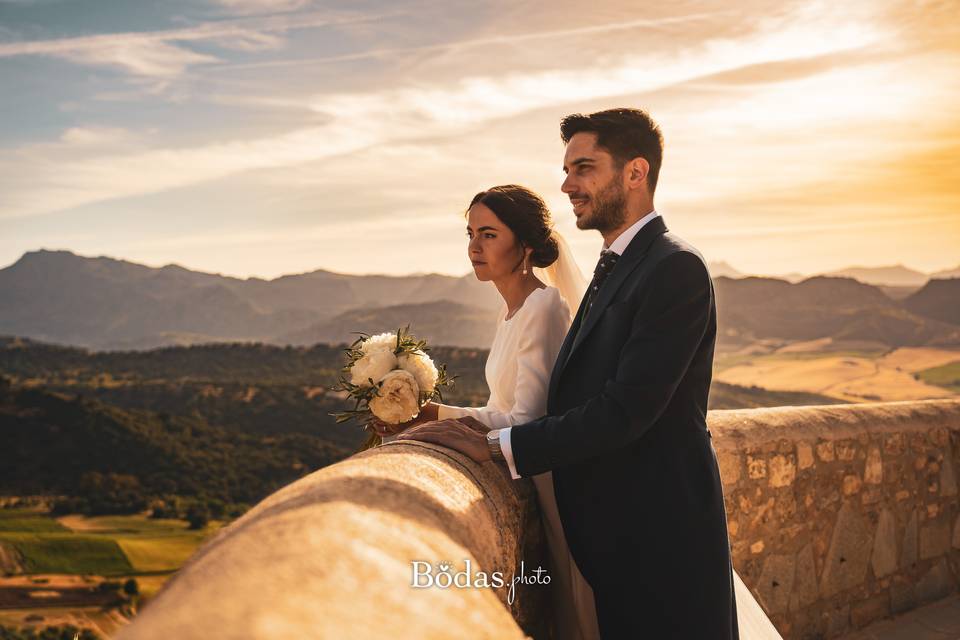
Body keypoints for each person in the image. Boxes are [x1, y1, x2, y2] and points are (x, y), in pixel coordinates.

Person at [394, 108, 750, 638]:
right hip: (618, 537)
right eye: (567, 170)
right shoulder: (617, 265)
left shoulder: (674, 266)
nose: (566, 185)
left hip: (661, 536)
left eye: (584, 168)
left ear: (635, 173)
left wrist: (496, 447)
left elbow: (626, 410)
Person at [372, 184, 602, 640]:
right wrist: (430, 413)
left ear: (527, 247)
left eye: (490, 235)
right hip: (535, 477)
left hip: (560, 488)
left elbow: (529, 420)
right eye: (471, 233)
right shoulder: (512, 310)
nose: (474, 246)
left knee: (582, 613)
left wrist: (443, 420)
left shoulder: (542, 308)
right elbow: (502, 409)